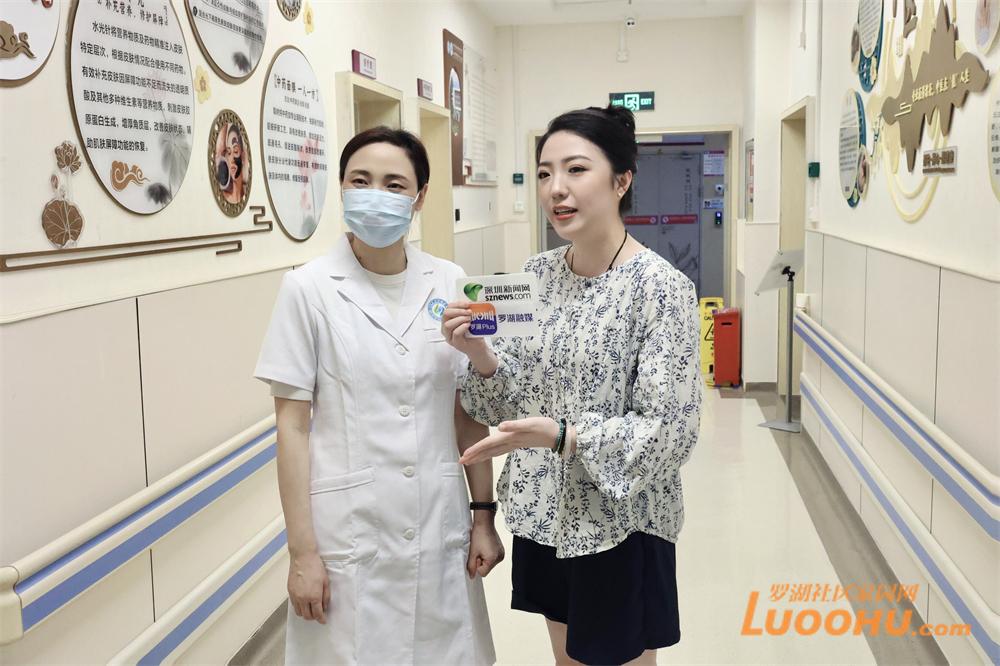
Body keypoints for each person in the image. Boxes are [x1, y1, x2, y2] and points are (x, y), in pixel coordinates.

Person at [442, 105, 702, 666]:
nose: (555, 188)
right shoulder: (536, 276)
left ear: (622, 180)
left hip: (621, 522)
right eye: (544, 173)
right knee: (566, 658)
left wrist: (563, 436)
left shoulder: (661, 289)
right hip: (544, 513)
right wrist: (478, 353)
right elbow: (503, 400)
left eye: (576, 169)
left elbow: (669, 433)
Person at [255, 127, 501, 665]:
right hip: (349, 531)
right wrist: (302, 553)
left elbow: (467, 414)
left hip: (440, 522)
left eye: (394, 184)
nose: (375, 195)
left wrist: (483, 515)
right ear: (341, 189)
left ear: (420, 196)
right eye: (360, 180)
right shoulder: (308, 289)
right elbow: (292, 427)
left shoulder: (451, 282)